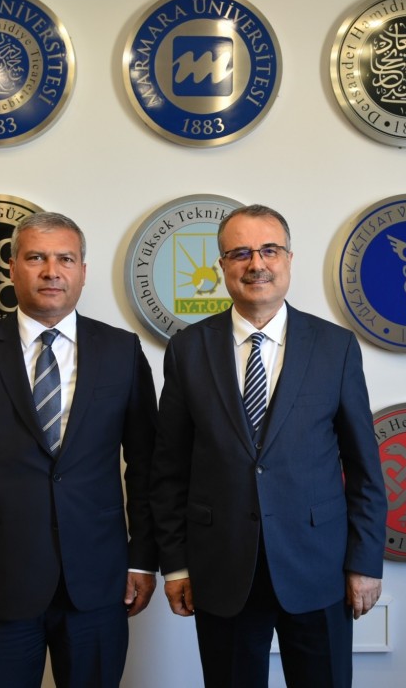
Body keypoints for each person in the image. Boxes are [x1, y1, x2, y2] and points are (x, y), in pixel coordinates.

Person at [0, 212, 158, 688]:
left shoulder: (123, 352)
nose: (52, 271)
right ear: (12, 268)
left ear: (83, 271)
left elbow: (147, 468)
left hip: (99, 584)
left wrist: (142, 559)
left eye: (65, 259)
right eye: (36, 258)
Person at [151, 204, 387, 688]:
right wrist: (175, 565)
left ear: (289, 259)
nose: (256, 264)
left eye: (269, 250)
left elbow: (364, 467)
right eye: (240, 253)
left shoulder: (336, 347)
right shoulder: (187, 350)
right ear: (222, 266)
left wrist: (364, 563)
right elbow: (169, 470)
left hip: (318, 567)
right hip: (222, 570)